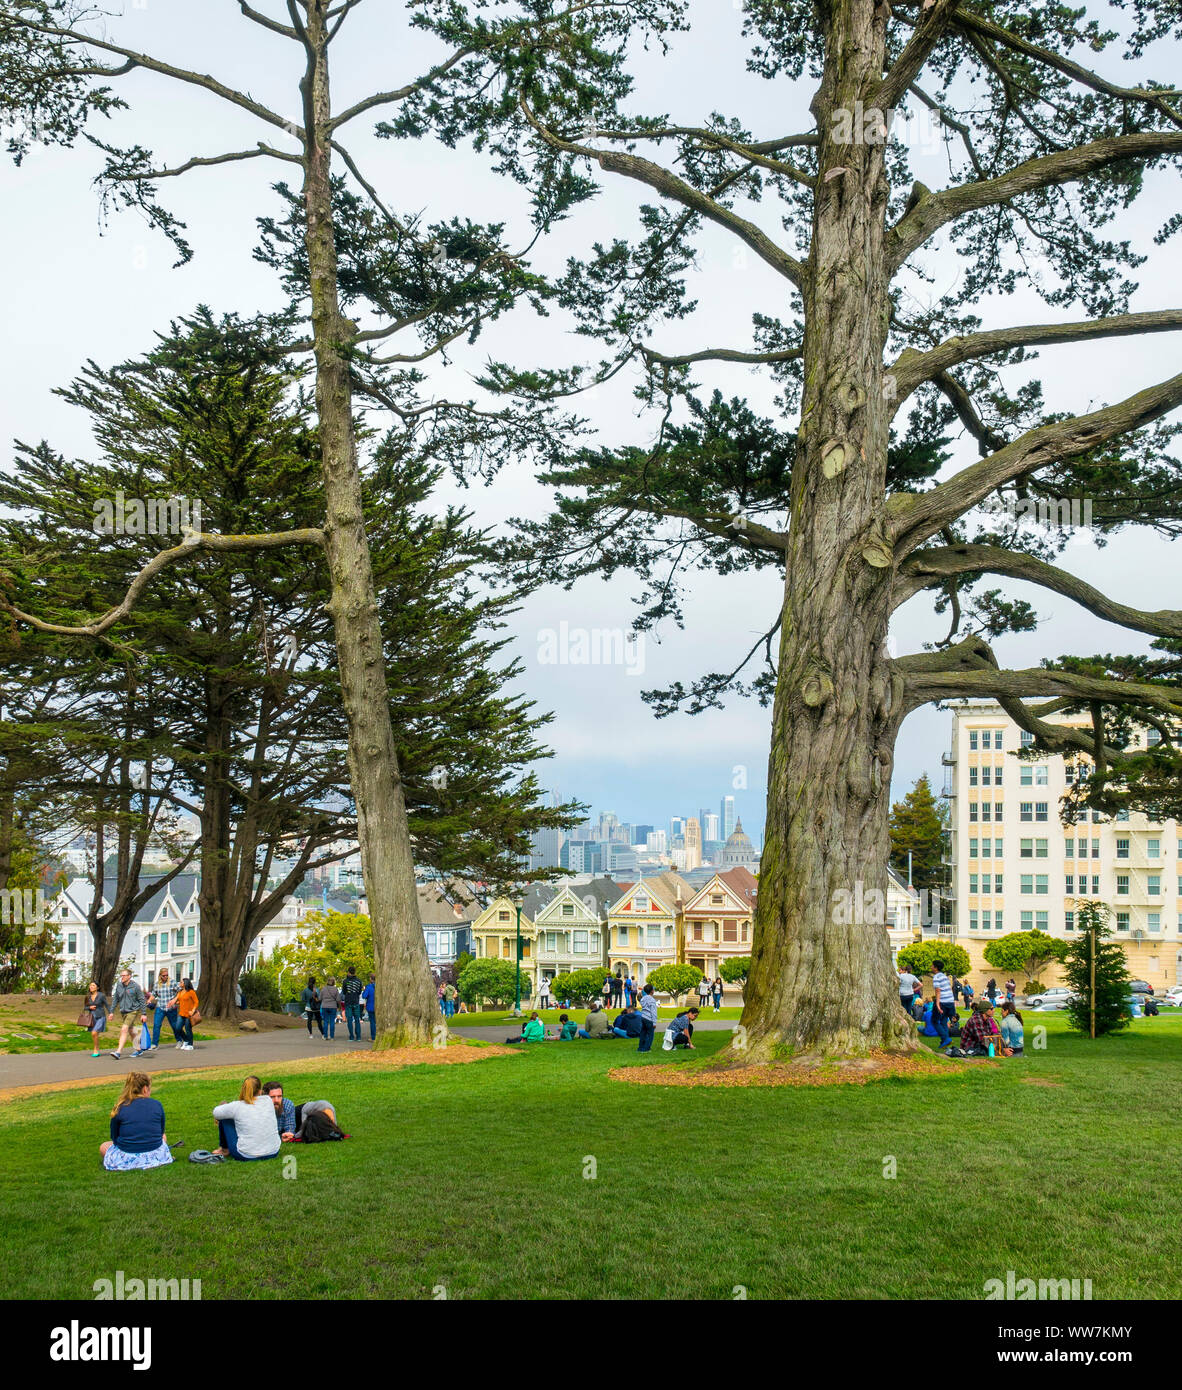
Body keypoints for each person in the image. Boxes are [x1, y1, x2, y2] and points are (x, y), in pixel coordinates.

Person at [101, 1072, 173, 1171]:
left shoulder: (120, 1107)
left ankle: (131, 1163)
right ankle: (151, 1161)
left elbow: (114, 1136)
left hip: (128, 1155)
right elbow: (160, 1131)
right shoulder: (157, 1104)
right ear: (145, 1089)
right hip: (155, 1153)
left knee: (104, 1146)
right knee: (164, 1136)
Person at [212, 1075, 281, 1160]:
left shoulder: (237, 1106)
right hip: (273, 1151)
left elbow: (216, 1113)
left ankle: (224, 1149)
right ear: (260, 1091)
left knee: (225, 1118)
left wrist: (224, 1106)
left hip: (246, 1155)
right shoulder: (268, 1101)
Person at [108, 968, 147, 1059]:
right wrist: (111, 1012)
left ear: (129, 976)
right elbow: (116, 999)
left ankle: (118, 1052)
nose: (122, 977)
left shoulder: (135, 986)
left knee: (124, 1029)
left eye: (124, 975)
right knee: (131, 1031)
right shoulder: (119, 985)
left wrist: (143, 1013)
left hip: (133, 1011)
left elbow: (142, 1000)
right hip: (123, 1011)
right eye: (121, 975)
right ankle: (139, 1049)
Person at [146, 968, 181, 1051]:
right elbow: (154, 994)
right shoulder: (157, 984)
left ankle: (179, 1040)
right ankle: (154, 1044)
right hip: (160, 1007)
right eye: (164, 975)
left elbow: (180, 992)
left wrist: (174, 1000)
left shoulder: (172, 982)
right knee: (156, 1025)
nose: (165, 977)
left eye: (167, 975)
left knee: (174, 1025)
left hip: (171, 1008)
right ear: (160, 975)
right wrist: (150, 1000)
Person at [930, 958, 957, 1051]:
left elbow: (938, 990)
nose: (931, 967)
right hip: (950, 1001)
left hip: (942, 1002)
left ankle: (945, 1038)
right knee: (943, 1021)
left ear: (936, 968)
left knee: (934, 1020)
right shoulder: (944, 976)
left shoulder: (936, 977)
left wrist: (937, 1003)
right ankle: (945, 1042)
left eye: (932, 965)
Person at [84, 980, 110, 1058]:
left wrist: (110, 1013)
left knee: (94, 1033)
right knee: (95, 1034)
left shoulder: (101, 995)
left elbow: (106, 1005)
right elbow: (85, 1007)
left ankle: (96, 1049)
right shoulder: (88, 996)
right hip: (92, 1017)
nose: (91, 987)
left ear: (97, 987)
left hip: (100, 1016)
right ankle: (96, 1048)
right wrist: (90, 1007)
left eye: (93, 985)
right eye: (90, 985)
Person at [341, 965, 365, 1041]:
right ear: (355, 972)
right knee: (357, 1019)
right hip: (356, 1002)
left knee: (350, 1020)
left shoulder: (345, 981)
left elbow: (344, 992)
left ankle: (351, 1036)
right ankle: (358, 1037)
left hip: (348, 1002)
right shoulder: (359, 981)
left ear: (348, 972)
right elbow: (359, 992)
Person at [175, 978, 199, 1051]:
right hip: (181, 1014)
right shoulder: (180, 992)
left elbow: (196, 1002)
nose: (180, 983)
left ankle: (190, 1044)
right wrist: (177, 1002)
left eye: (181, 982)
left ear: (185, 983)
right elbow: (179, 1000)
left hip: (189, 1015)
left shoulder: (191, 992)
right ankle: (186, 1040)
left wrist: (193, 1010)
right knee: (177, 1028)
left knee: (188, 1029)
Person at [638, 982, 658, 1052]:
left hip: (643, 1017)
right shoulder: (652, 1000)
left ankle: (640, 1047)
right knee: (650, 1035)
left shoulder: (643, 998)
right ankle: (646, 1048)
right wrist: (654, 1023)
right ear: (652, 991)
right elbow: (653, 1012)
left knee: (643, 1033)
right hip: (649, 1019)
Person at [362, 974, 376, 1040]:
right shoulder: (381, 985)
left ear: (371, 979)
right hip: (379, 1007)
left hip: (371, 1006)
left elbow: (364, 996)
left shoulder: (369, 987)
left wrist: (364, 990)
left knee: (372, 1022)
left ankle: (373, 1037)